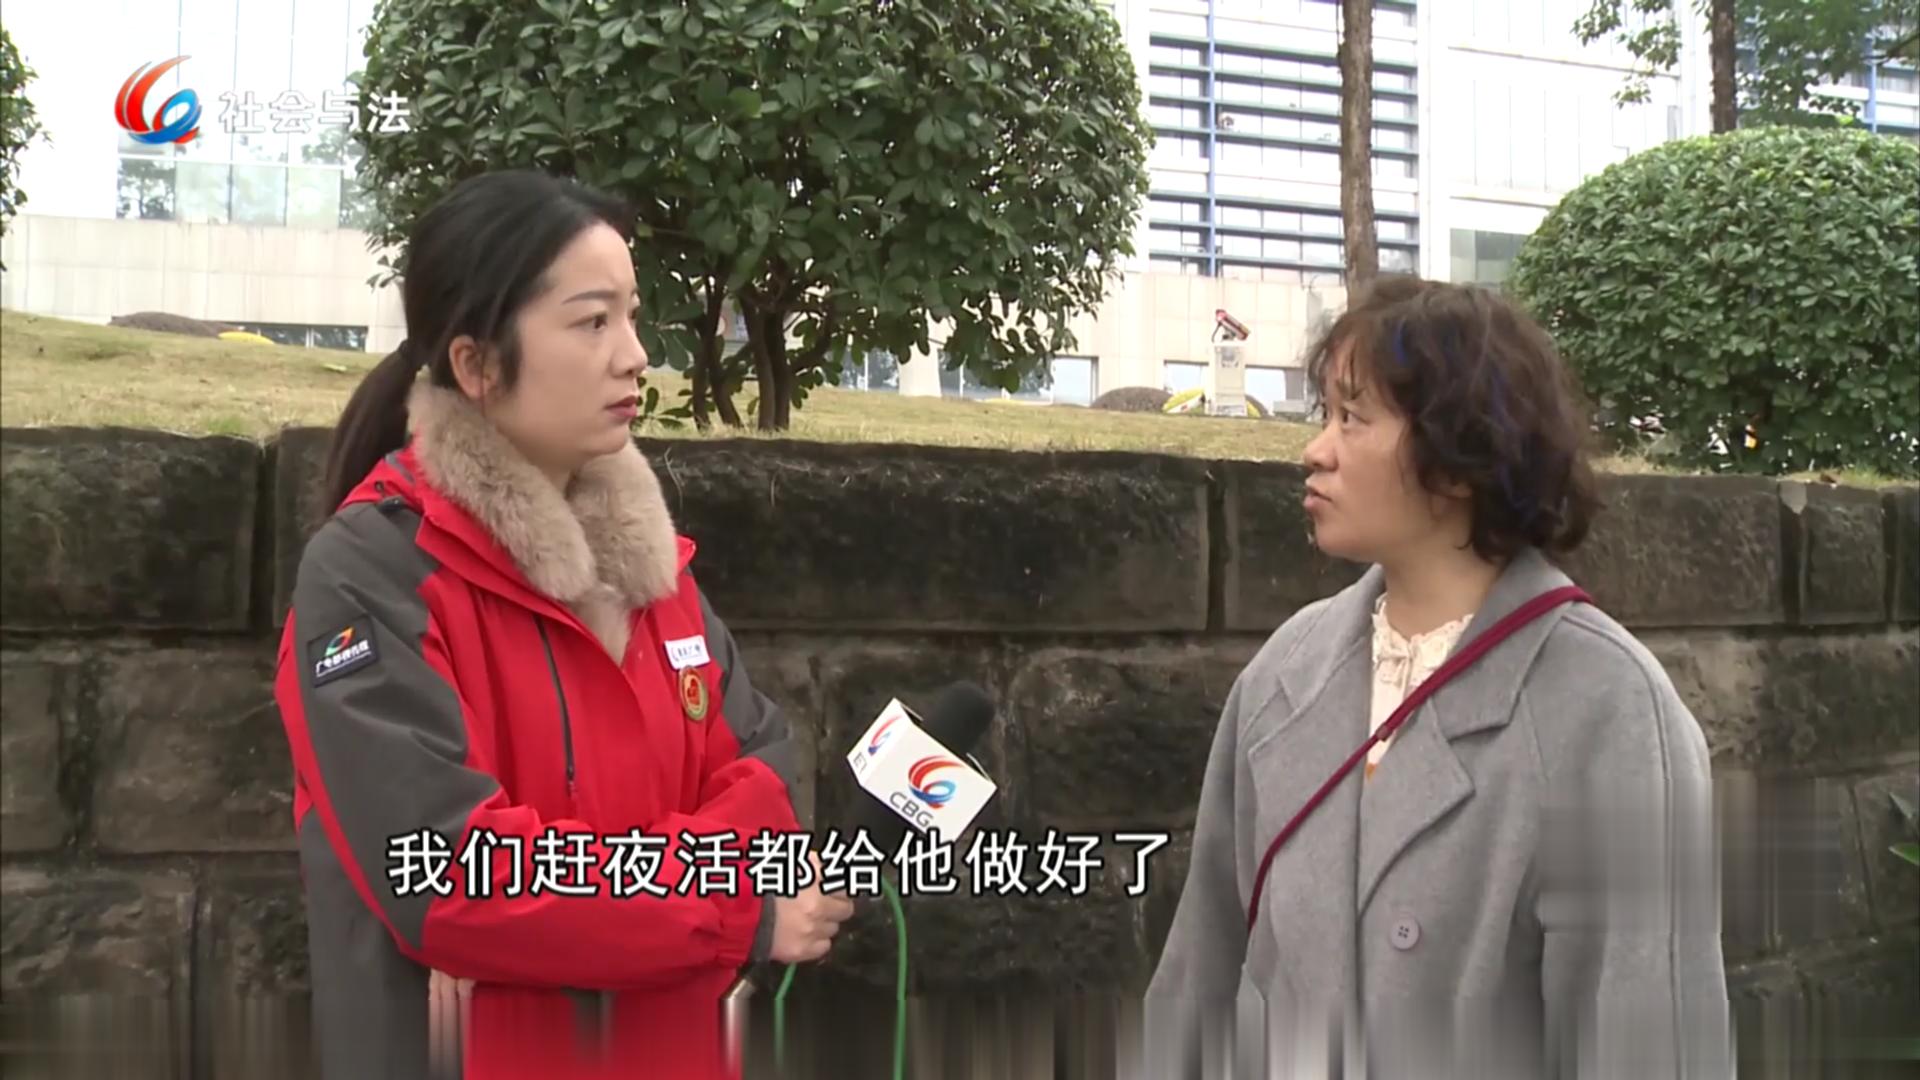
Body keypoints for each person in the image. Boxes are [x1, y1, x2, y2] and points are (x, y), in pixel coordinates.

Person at [272, 169, 855, 1080]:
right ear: (478, 365)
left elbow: (764, 778)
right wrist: (727, 909)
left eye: (633, 317)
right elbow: (453, 875)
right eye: (592, 323)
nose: (635, 357)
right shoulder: (372, 575)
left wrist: (607, 906)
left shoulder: (655, 573)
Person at [1141, 275, 1732, 1079]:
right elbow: (1198, 977)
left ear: (1460, 459)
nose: (1316, 450)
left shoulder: (1610, 710)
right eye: (1324, 416)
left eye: (1353, 418)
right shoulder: (1284, 675)